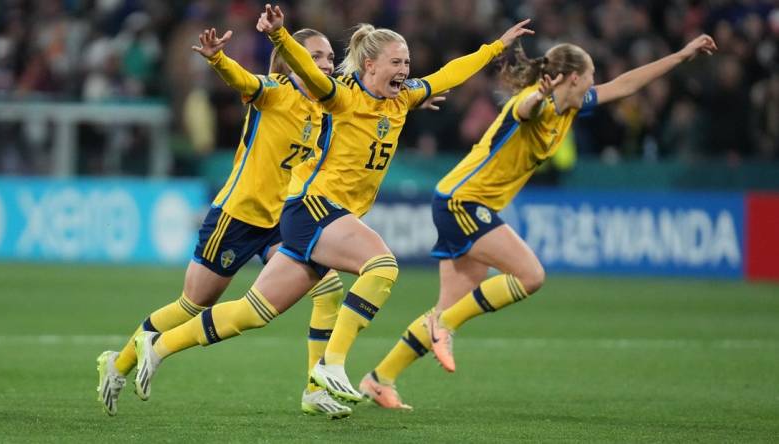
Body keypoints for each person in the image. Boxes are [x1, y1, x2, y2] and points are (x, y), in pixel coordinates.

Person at [130, 3, 534, 408]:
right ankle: (332, 366)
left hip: (329, 215)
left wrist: (496, 46)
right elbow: (305, 70)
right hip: (313, 207)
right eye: (396, 62)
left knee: (253, 311)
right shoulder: (340, 96)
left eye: (407, 62)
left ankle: (161, 346)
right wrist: (278, 36)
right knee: (382, 265)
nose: (406, 70)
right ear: (370, 65)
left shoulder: (402, 99)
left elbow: (450, 74)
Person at [360, 34, 718, 410]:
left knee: (449, 304)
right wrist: (538, 96)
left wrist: (679, 55)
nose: (595, 84)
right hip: (461, 201)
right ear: (572, 78)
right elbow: (526, 108)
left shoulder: (572, 108)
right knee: (531, 275)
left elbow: (625, 84)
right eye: (590, 76)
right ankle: (444, 326)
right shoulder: (532, 102)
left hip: (466, 202)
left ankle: (379, 379)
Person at [97, 27, 353, 418]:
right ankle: (118, 364)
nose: (326, 65)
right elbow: (242, 80)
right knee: (194, 303)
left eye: (329, 57)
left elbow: (370, 94)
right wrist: (218, 59)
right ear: (292, 61)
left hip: (281, 219)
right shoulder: (274, 91)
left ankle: (314, 388)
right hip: (237, 215)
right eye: (316, 57)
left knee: (329, 287)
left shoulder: (325, 106)